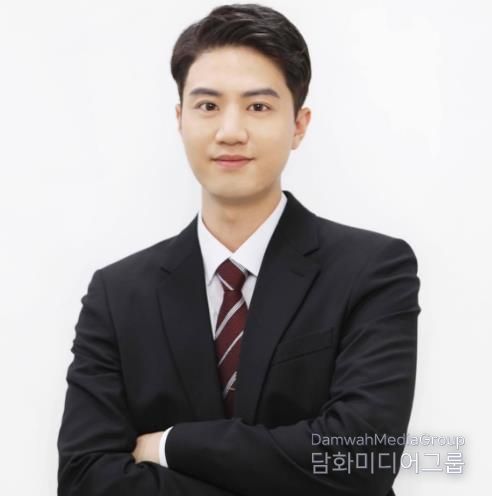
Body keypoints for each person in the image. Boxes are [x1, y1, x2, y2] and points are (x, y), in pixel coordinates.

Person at [57, 4, 421, 495]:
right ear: (180, 119)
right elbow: (84, 480)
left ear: (299, 125)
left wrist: (172, 446)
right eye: (208, 106)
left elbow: (361, 458)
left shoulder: (372, 271)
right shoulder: (117, 295)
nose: (230, 131)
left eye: (258, 107)